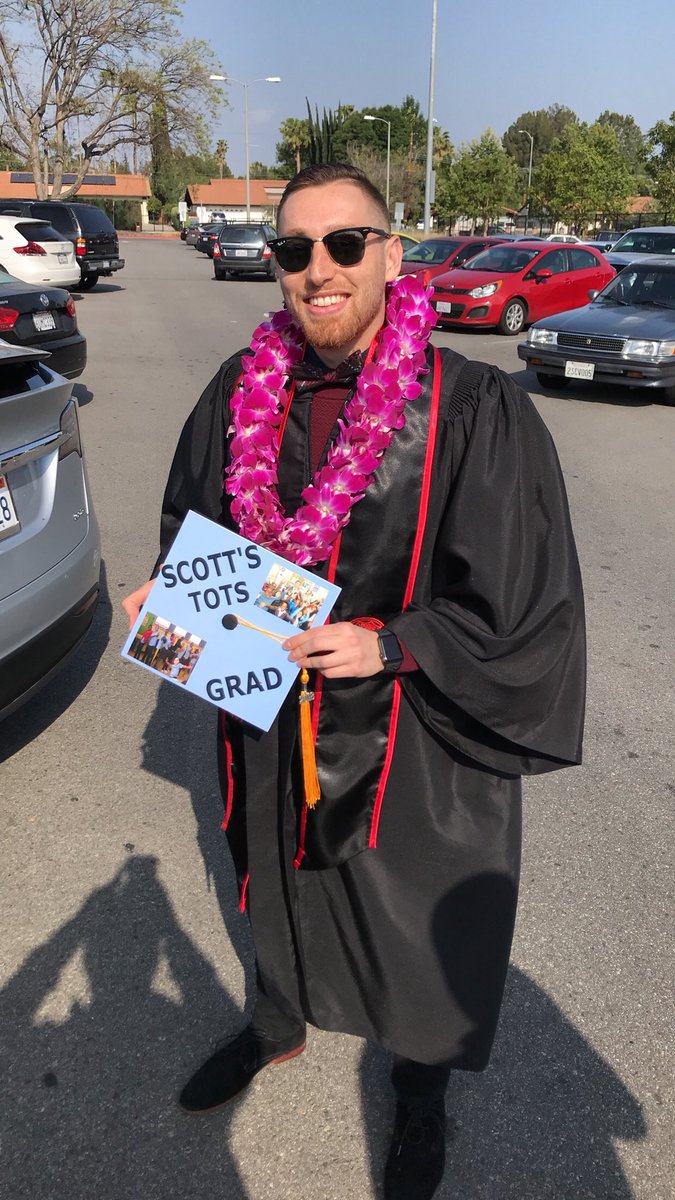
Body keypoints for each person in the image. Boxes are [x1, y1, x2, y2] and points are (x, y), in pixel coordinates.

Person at [123, 163, 585, 1200]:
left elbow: (520, 594)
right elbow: (198, 524)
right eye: (293, 250)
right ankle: (274, 1023)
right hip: (271, 706)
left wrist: (390, 644)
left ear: (392, 253)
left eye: (343, 244)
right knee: (271, 869)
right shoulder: (242, 392)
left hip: (411, 723)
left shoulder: (472, 409)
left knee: (416, 914)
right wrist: (173, 593)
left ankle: (420, 1100)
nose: (315, 271)